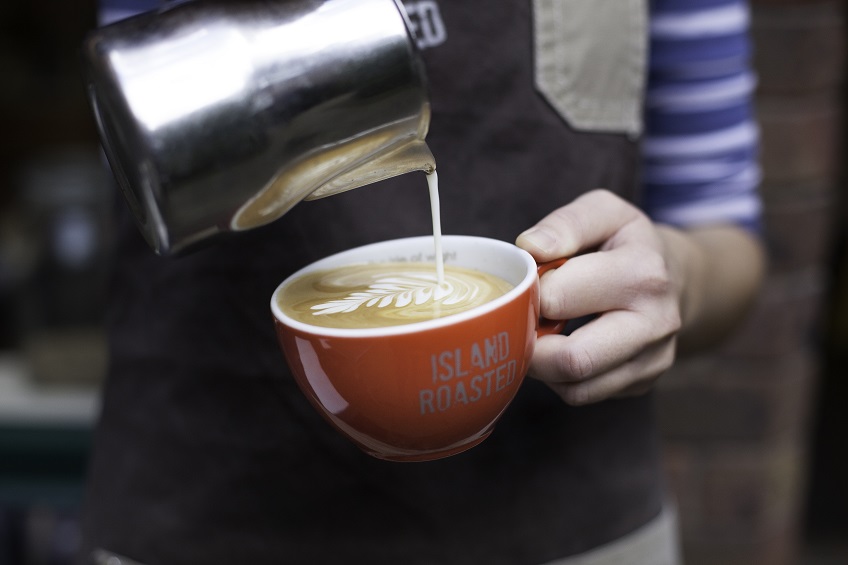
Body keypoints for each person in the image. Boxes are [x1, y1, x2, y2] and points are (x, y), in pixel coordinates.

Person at [79, 0, 765, 564]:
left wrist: (681, 273)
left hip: (578, 529)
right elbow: (151, 112)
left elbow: (723, 228)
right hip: (207, 517)